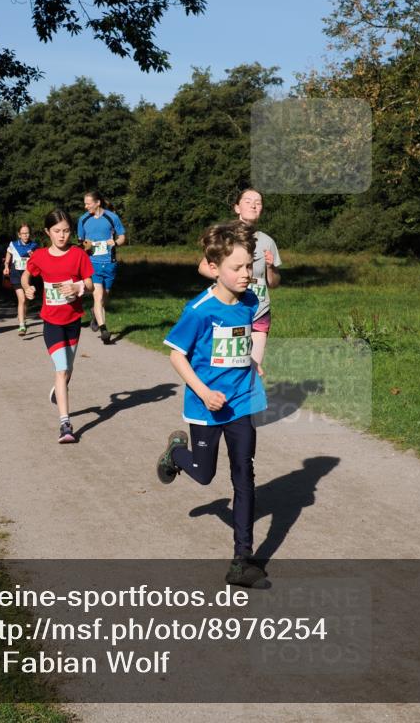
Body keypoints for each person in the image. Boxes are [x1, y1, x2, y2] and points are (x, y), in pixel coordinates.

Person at [158, 219, 269, 588]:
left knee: (244, 477)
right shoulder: (199, 310)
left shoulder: (250, 300)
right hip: (207, 407)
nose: (245, 275)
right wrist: (204, 392)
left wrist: (253, 361)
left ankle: (242, 561)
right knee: (205, 475)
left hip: (241, 401)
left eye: (247, 267)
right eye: (236, 268)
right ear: (214, 268)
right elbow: (176, 355)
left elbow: (248, 336)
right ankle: (176, 453)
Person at [22, 209, 94, 443]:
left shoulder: (78, 255)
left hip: (73, 320)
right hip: (51, 321)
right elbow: (26, 275)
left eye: (65, 231)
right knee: (61, 369)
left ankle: (58, 388)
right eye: (56, 231)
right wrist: (27, 287)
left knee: (68, 370)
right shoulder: (40, 256)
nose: (62, 236)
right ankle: (66, 424)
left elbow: (91, 285)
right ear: (47, 232)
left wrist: (78, 288)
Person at [198, 188, 280, 367]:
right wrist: (228, 278)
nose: (254, 205)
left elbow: (273, 283)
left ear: (261, 209)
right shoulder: (226, 237)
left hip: (259, 310)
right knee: (230, 364)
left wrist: (270, 266)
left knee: (254, 366)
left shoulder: (268, 241)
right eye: (248, 201)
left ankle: (250, 393)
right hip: (230, 309)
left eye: (258, 202)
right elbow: (203, 267)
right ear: (237, 208)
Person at [77, 191, 126, 344]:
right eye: (85, 204)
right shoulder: (83, 219)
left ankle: (94, 313)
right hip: (93, 263)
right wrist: (86, 246)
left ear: (97, 203)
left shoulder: (112, 217)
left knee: (104, 297)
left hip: (110, 263)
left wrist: (116, 243)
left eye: (88, 203)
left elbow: (123, 236)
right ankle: (104, 330)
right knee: (98, 296)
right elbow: (80, 242)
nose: (86, 207)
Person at [2, 223, 39, 335]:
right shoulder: (13, 244)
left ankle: (23, 316)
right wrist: (6, 265)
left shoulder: (34, 245)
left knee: (26, 299)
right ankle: (22, 326)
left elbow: (38, 259)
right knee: (22, 299)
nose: (25, 235)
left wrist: (34, 256)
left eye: (27, 233)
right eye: (23, 233)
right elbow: (9, 252)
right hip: (16, 274)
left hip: (27, 275)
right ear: (19, 234)